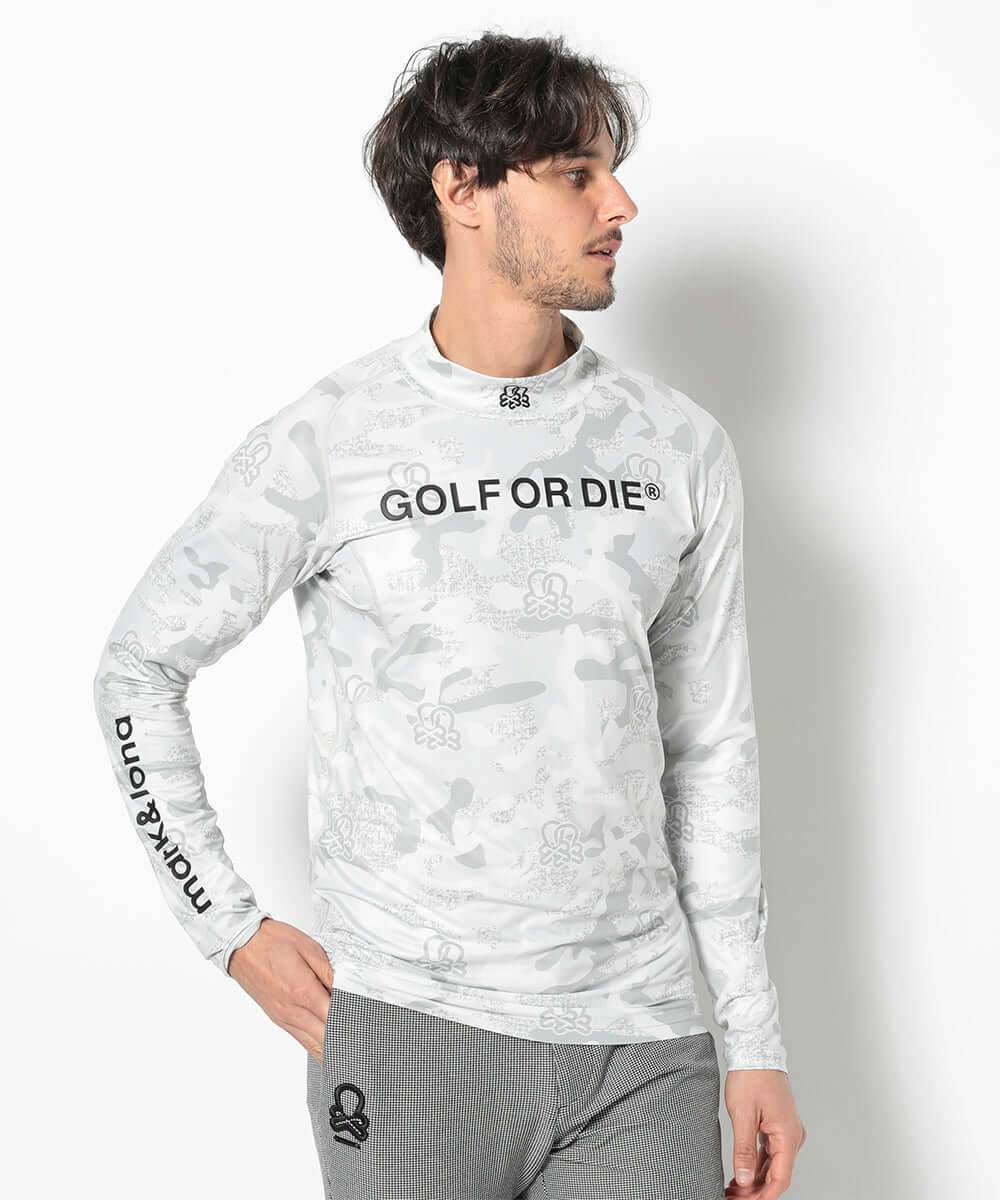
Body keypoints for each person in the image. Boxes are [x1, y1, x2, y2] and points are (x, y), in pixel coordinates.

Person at [92, 28, 806, 1200]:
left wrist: (753, 1037)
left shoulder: (677, 447)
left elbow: (711, 749)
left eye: (610, 171)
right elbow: (137, 668)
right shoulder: (329, 441)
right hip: (414, 1031)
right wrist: (226, 925)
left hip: (647, 1043)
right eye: (574, 174)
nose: (620, 204)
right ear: (461, 188)